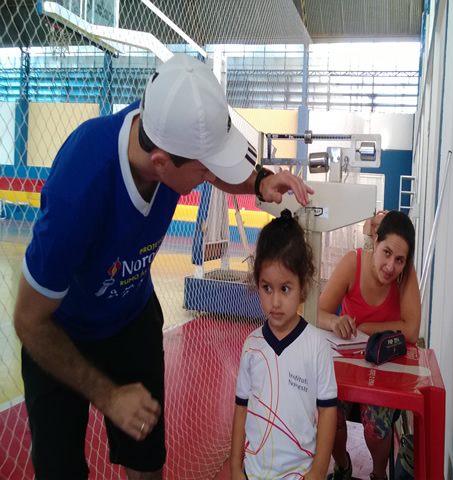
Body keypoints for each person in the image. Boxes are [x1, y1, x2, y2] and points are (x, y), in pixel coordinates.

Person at [12, 54, 313, 480]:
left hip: (130, 316)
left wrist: (260, 181)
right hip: (60, 333)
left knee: (148, 462)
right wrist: (108, 396)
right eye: (204, 169)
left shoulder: (168, 127)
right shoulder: (79, 192)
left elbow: (215, 170)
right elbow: (28, 321)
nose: (211, 177)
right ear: (161, 164)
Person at [230, 209, 337, 480]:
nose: (275, 302)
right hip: (254, 473)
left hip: (299, 474)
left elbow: (327, 411)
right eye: (267, 288)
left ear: (303, 285)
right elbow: (241, 407)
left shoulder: (317, 346)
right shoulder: (252, 345)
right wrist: (235, 468)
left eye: (285, 289)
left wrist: (318, 471)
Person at [318, 210, 421, 480]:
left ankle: (379, 475)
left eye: (399, 260)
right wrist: (335, 321)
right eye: (386, 253)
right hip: (347, 367)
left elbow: (411, 331)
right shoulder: (353, 263)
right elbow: (317, 314)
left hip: (383, 369)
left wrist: (366, 329)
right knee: (329, 414)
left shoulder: (404, 275)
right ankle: (343, 467)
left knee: (376, 424)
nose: (390, 267)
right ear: (375, 241)